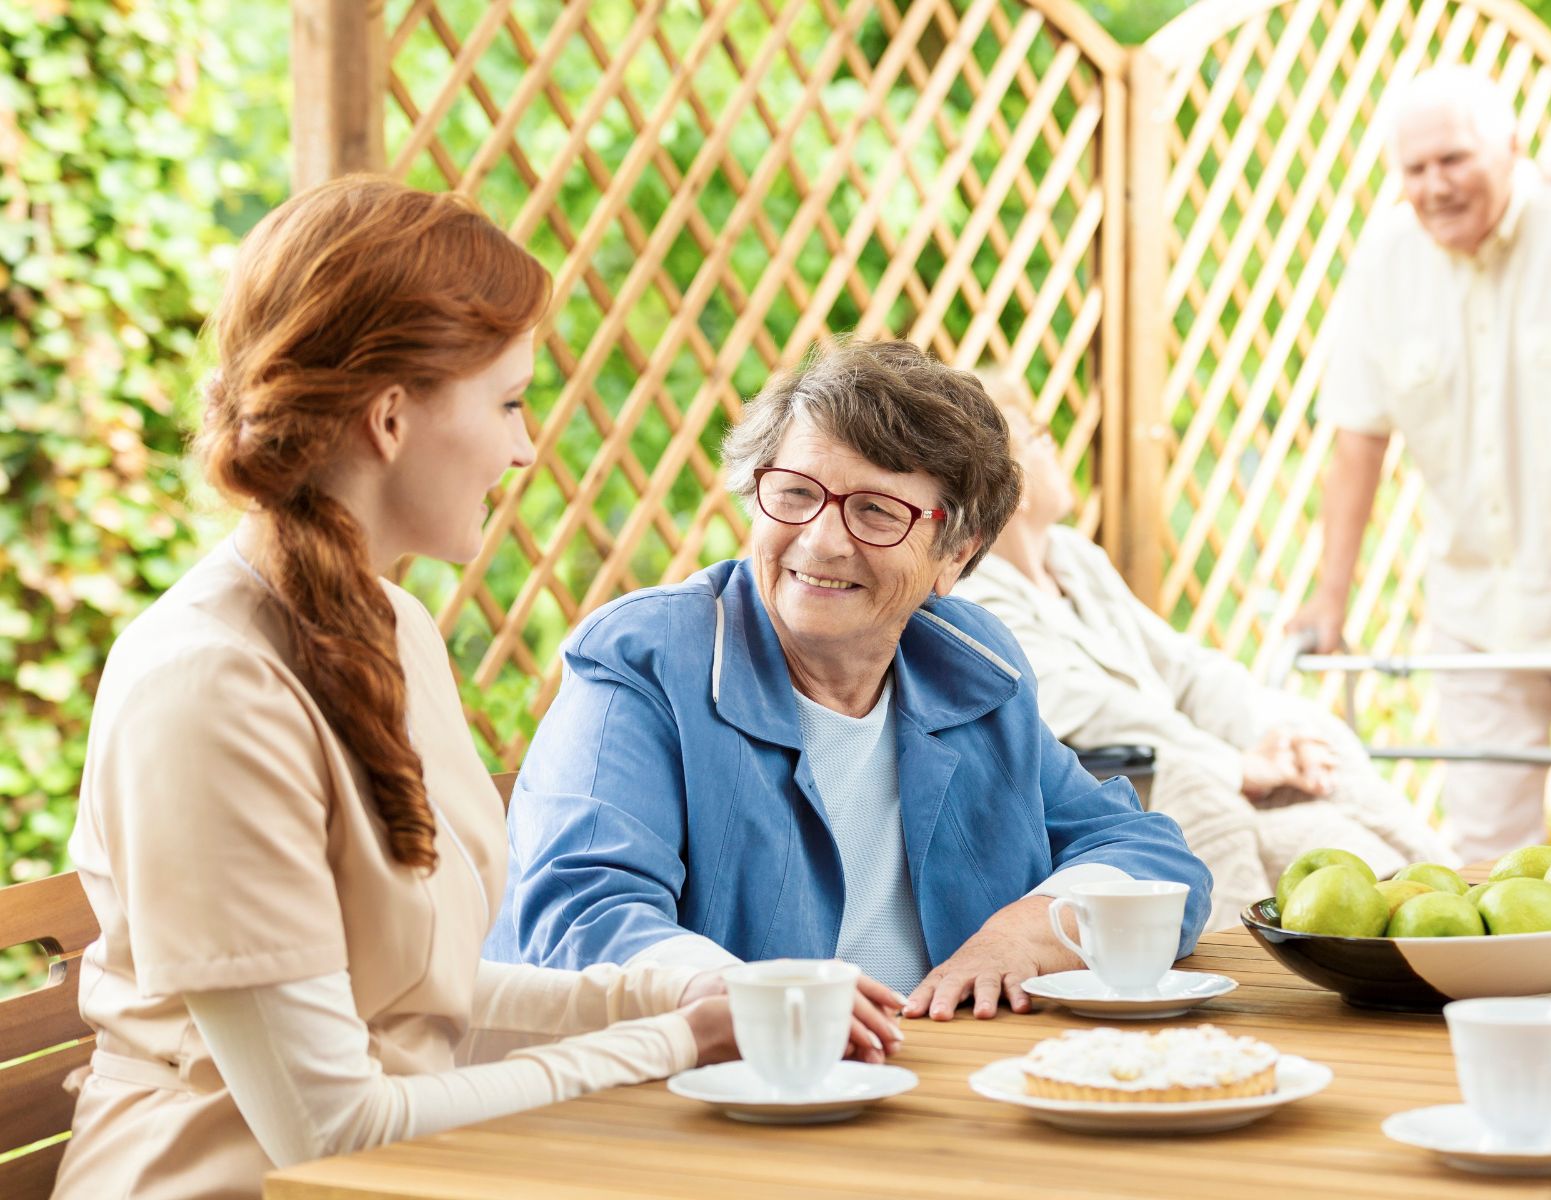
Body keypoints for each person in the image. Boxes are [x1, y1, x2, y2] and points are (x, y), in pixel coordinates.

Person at [54, 177, 741, 1199]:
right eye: (509, 401)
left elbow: (404, 992)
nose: (524, 446)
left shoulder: (390, 627)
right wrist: (670, 1042)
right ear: (388, 418)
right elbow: (331, 1124)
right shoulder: (207, 687)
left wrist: (670, 990)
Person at [485, 340, 1211, 1028]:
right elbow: (582, 915)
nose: (822, 540)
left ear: (955, 553)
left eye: (876, 511)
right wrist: (767, 1004)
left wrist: (1024, 936)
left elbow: (1150, 858)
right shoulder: (647, 661)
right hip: (705, 1104)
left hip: (945, 1092)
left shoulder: (967, 667)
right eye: (795, 493)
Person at [1290, 67, 1551, 861]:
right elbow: (1358, 438)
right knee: (1486, 853)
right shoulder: (1385, 263)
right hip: (1474, 610)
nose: (1434, 186)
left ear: (1512, 147)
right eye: (1415, 168)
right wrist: (1329, 599)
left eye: (1454, 160)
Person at [959, 373, 1457, 928]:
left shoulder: (1074, 558)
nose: (1055, 447)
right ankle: (1302, 960)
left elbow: (1187, 669)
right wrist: (1236, 765)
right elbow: (1089, 709)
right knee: (1325, 848)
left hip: (1203, 767)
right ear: (1012, 479)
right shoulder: (976, 595)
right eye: (1039, 436)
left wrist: (1271, 736)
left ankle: (1455, 895)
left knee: (1323, 749)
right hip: (1131, 795)